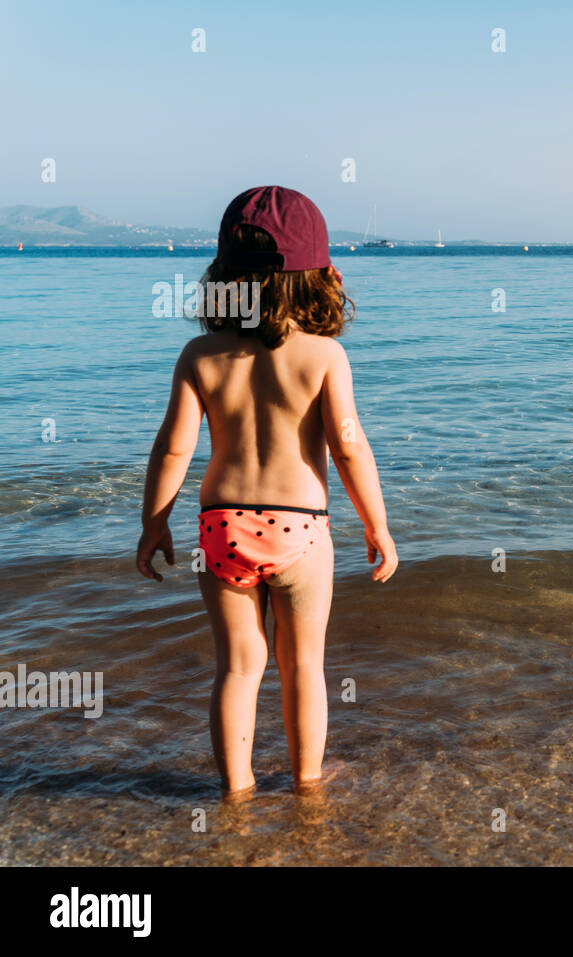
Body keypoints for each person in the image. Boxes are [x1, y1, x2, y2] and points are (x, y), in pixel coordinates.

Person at [136, 186, 397, 796]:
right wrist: (376, 525)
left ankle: (236, 789)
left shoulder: (199, 355)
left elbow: (172, 448)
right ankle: (307, 783)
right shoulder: (325, 356)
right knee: (303, 665)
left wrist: (154, 523)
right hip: (301, 529)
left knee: (237, 667)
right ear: (322, 277)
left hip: (220, 529)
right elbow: (349, 446)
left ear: (221, 276)